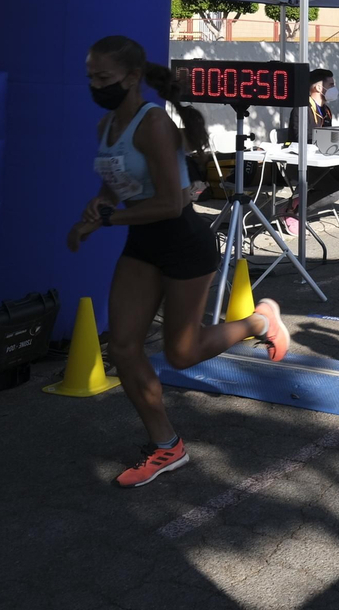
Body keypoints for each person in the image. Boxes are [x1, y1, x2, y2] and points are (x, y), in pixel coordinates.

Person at [69, 35, 290, 489]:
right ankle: (167, 447)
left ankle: (258, 322)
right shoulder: (106, 127)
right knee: (124, 347)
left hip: (184, 243)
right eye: (90, 76)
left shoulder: (153, 126)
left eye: (103, 77)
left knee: (182, 353)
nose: (94, 85)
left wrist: (110, 219)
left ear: (132, 78)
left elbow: (171, 203)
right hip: (141, 244)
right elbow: (117, 186)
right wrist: (97, 209)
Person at [282, 67, 339, 231]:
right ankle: (294, 209)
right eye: (331, 84)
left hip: (325, 161)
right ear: (318, 87)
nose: (334, 88)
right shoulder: (302, 108)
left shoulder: (326, 111)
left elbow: (329, 137)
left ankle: (304, 198)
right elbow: (300, 140)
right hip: (303, 163)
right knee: (334, 191)